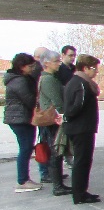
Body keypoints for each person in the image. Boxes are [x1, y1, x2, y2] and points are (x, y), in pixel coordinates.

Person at [62, 56, 102, 204]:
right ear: (84, 68)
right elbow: (75, 107)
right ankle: (79, 194)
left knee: (82, 160)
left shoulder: (75, 81)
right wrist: (72, 117)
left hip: (80, 127)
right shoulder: (81, 83)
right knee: (82, 161)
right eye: (94, 68)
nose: (96, 71)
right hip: (81, 128)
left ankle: (81, 191)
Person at [4, 53, 41, 192]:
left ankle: (24, 179)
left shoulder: (18, 78)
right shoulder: (20, 81)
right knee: (25, 148)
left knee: (25, 148)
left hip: (18, 118)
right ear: (21, 67)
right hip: (20, 119)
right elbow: (30, 100)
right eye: (30, 66)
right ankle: (23, 180)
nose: (32, 68)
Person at [37, 50, 69, 192]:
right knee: (56, 151)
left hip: (50, 120)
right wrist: (64, 116)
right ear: (47, 63)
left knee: (54, 151)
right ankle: (57, 185)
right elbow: (57, 102)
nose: (59, 64)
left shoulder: (46, 78)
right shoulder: (49, 79)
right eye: (56, 61)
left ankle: (57, 182)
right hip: (53, 120)